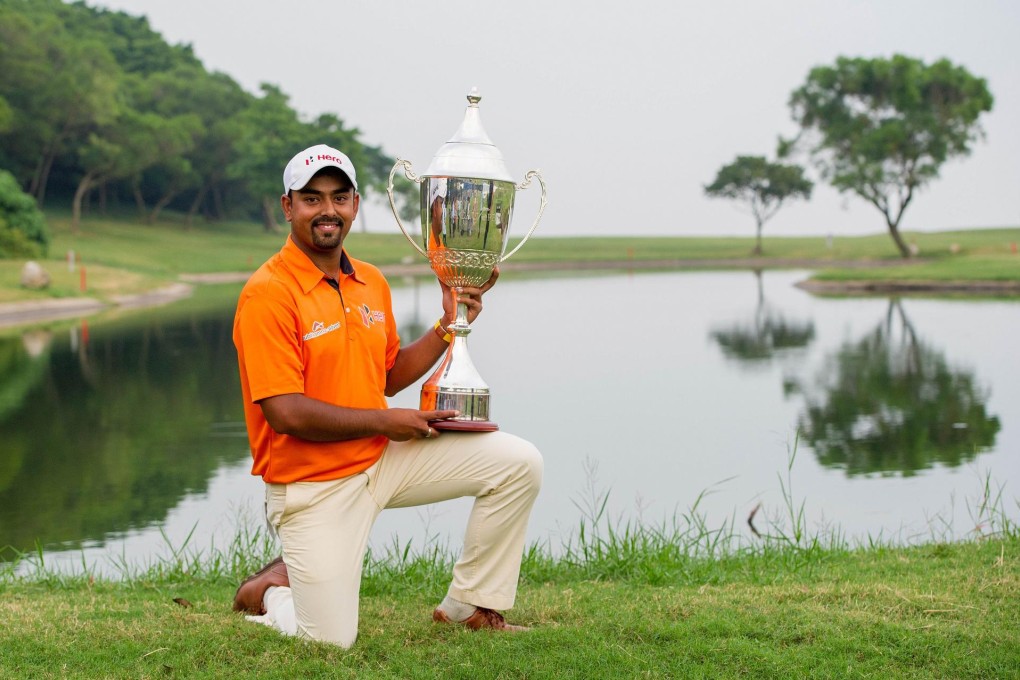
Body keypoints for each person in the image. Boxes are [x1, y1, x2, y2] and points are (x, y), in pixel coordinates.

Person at [230, 144, 543, 648]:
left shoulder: (369, 282)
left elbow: (388, 375)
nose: (327, 210)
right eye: (311, 199)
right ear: (288, 207)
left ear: (355, 204)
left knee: (518, 463)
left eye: (339, 197)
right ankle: (270, 593)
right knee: (329, 641)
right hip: (314, 486)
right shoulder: (268, 293)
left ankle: (468, 607)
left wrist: (449, 324)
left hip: (381, 462)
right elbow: (284, 412)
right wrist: (385, 422)